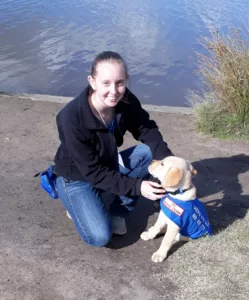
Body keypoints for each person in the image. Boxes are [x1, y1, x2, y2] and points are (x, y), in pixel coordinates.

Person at [54, 51, 173, 247]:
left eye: (119, 82)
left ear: (126, 80)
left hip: (108, 164)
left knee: (149, 153)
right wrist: (137, 187)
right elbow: (92, 172)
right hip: (76, 177)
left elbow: (145, 127)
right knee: (99, 237)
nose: (114, 91)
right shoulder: (71, 118)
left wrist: (167, 159)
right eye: (106, 83)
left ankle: (119, 211)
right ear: (92, 82)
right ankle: (76, 203)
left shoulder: (124, 99)